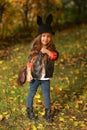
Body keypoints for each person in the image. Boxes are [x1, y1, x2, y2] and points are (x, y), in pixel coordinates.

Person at [26, 14, 59, 122]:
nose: (46, 38)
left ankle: (47, 113)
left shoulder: (52, 49)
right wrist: (29, 74)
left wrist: (47, 51)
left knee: (46, 96)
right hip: (35, 77)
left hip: (45, 79)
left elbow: (55, 56)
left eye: (48, 36)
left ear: (51, 38)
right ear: (40, 37)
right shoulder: (35, 49)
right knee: (31, 93)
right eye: (44, 36)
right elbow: (29, 62)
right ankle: (29, 111)